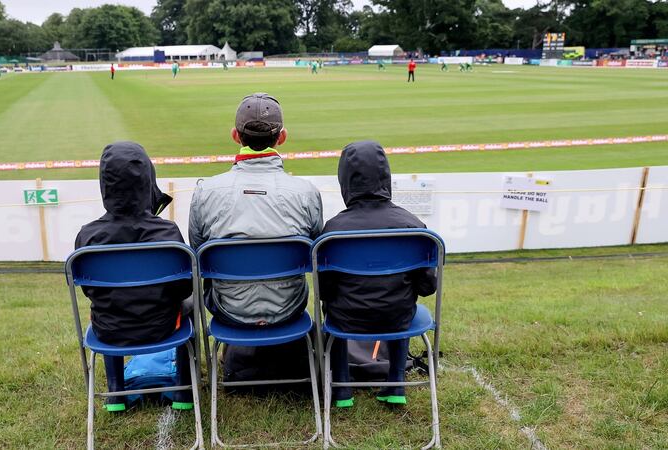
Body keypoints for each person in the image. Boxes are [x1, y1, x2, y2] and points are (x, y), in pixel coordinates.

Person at [75, 141, 196, 412]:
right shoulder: (168, 233)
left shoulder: (88, 236)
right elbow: (185, 289)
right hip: (164, 327)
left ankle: (116, 394)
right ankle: (184, 392)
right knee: (192, 307)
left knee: (102, 309)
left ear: (105, 185)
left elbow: (89, 291)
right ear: (148, 181)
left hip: (110, 329)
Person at [319, 140, 437, 408]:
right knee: (403, 306)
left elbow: (325, 290)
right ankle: (396, 383)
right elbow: (428, 286)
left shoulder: (332, 230)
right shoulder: (413, 226)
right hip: (398, 315)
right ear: (387, 177)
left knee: (331, 310)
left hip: (345, 318)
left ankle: (342, 390)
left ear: (345, 180)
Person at [189, 93, 323, 327]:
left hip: (228, 307)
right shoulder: (306, 192)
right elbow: (316, 254)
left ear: (235, 135)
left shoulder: (205, 192)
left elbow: (198, 254)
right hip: (288, 306)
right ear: (282, 137)